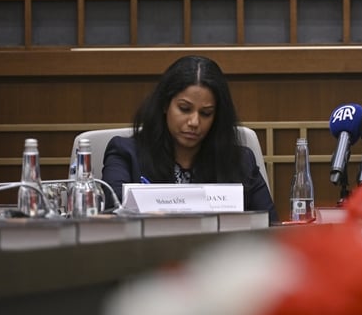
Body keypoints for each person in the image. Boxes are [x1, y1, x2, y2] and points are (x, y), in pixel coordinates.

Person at [103, 55, 277, 222]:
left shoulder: (240, 161)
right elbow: (113, 217)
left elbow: (270, 225)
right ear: (165, 105)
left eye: (206, 113)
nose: (194, 122)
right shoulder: (126, 154)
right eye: (184, 109)